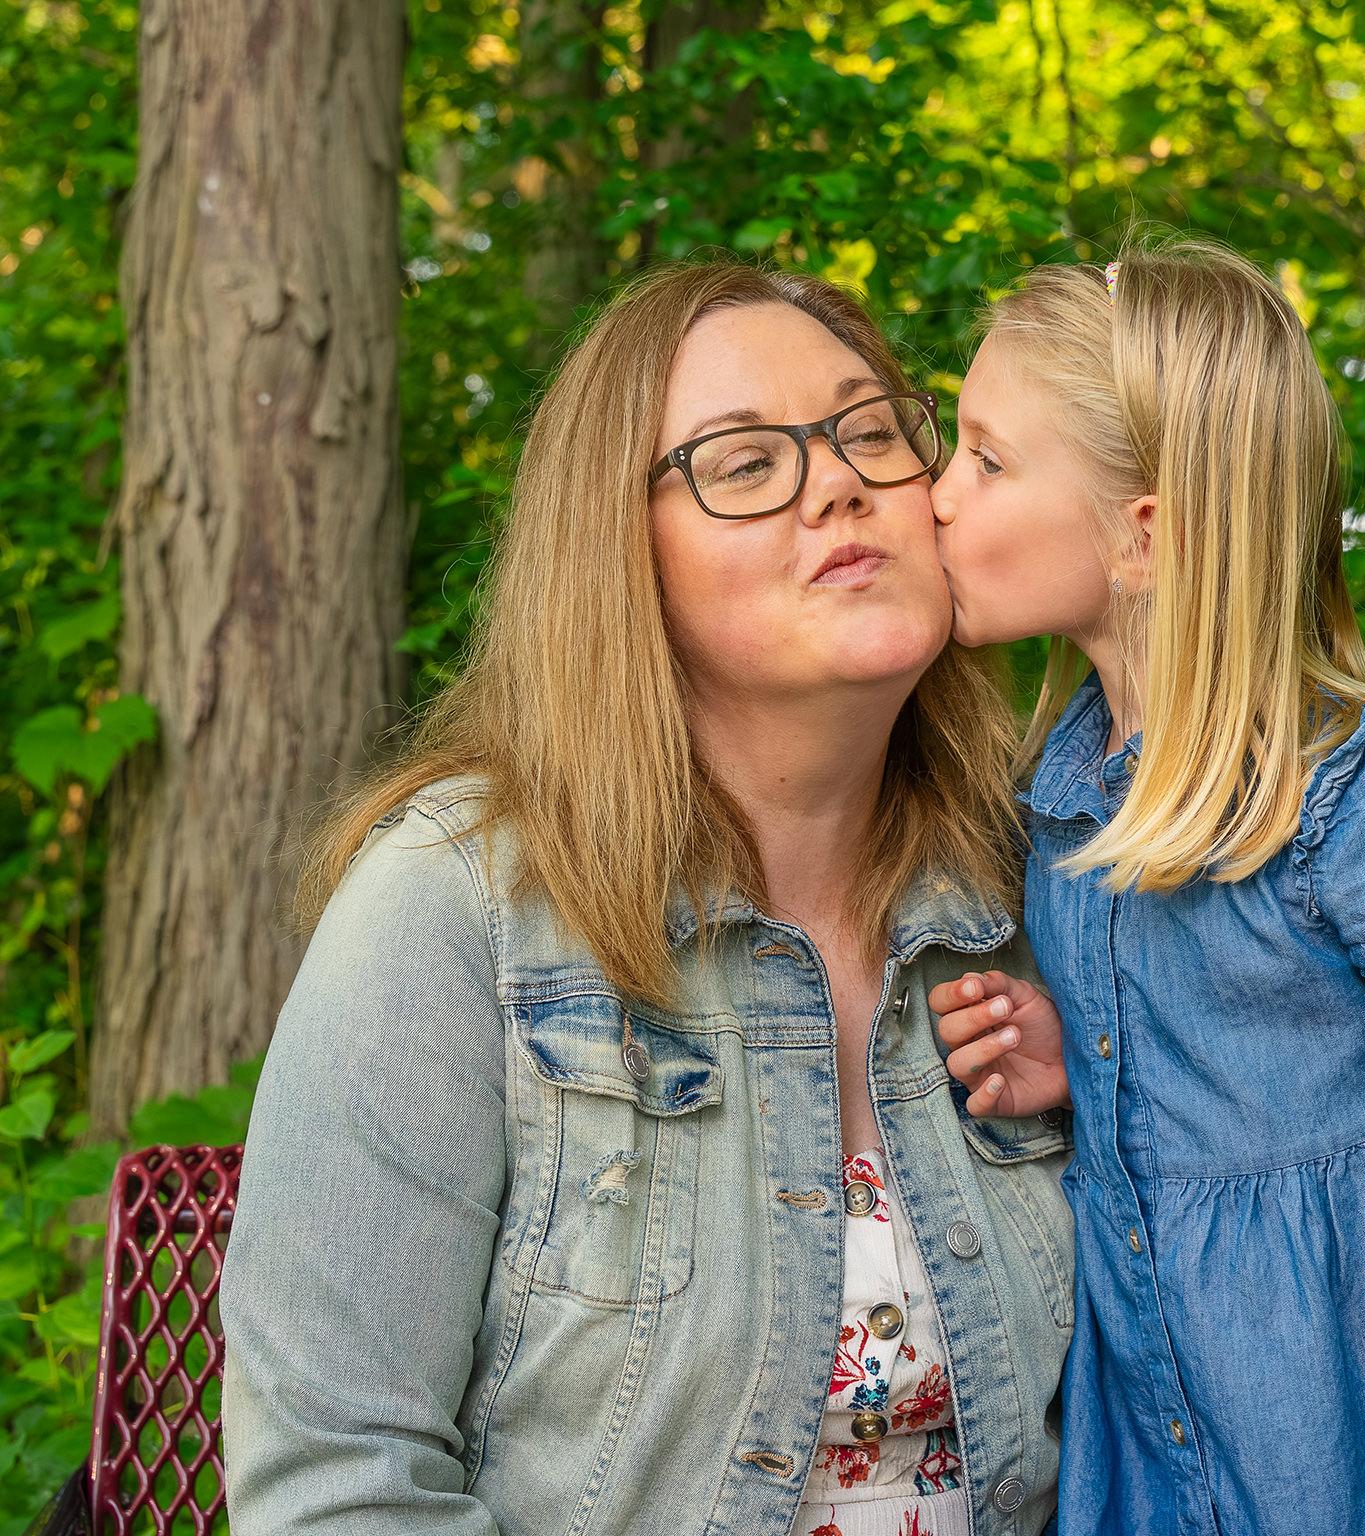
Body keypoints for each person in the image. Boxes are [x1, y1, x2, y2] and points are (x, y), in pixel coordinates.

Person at [220, 260, 1074, 1536]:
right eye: (745, 463)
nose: (838, 482)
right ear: (618, 554)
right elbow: (336, 1483)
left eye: (870, 433)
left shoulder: (1043, 886)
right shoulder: (454, 906)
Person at [925, 239, 1365, 1535]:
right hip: (1177, 1463)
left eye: (986, 459)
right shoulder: (1069, 796)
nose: (935, 496)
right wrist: (1086, 1066)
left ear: (1145, 537)